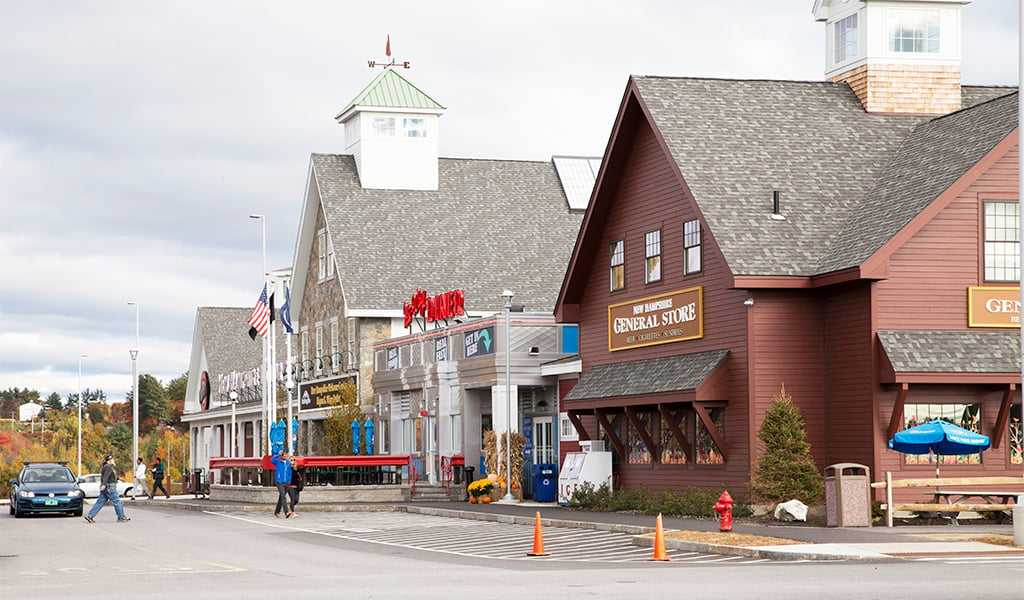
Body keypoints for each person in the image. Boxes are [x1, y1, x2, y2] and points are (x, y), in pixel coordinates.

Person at [84, 455, 129, 523]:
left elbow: (109, 477)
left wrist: (118, 478)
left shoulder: (105, 467)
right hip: (110, 487)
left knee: (100, 502)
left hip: (106, 486)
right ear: (109, 460)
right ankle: (121, 517)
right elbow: (106, 477)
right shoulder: (108, 467)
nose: (114, 460)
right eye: (112, 459)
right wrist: (104, 484)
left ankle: (90, 515)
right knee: (117, 502)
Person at [270, 451, 294, 518]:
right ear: (282, 456)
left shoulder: (288, 463)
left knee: (281, 497)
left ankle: (277, 512)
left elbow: (290, 472)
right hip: (279, 482)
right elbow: (271, 460)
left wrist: (289, 480)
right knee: (283, 496)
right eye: (284, 455)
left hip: (286, 482)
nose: (285, 456)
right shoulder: (278, 462)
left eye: (286, 455)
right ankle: (286, 512)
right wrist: (278, 454)